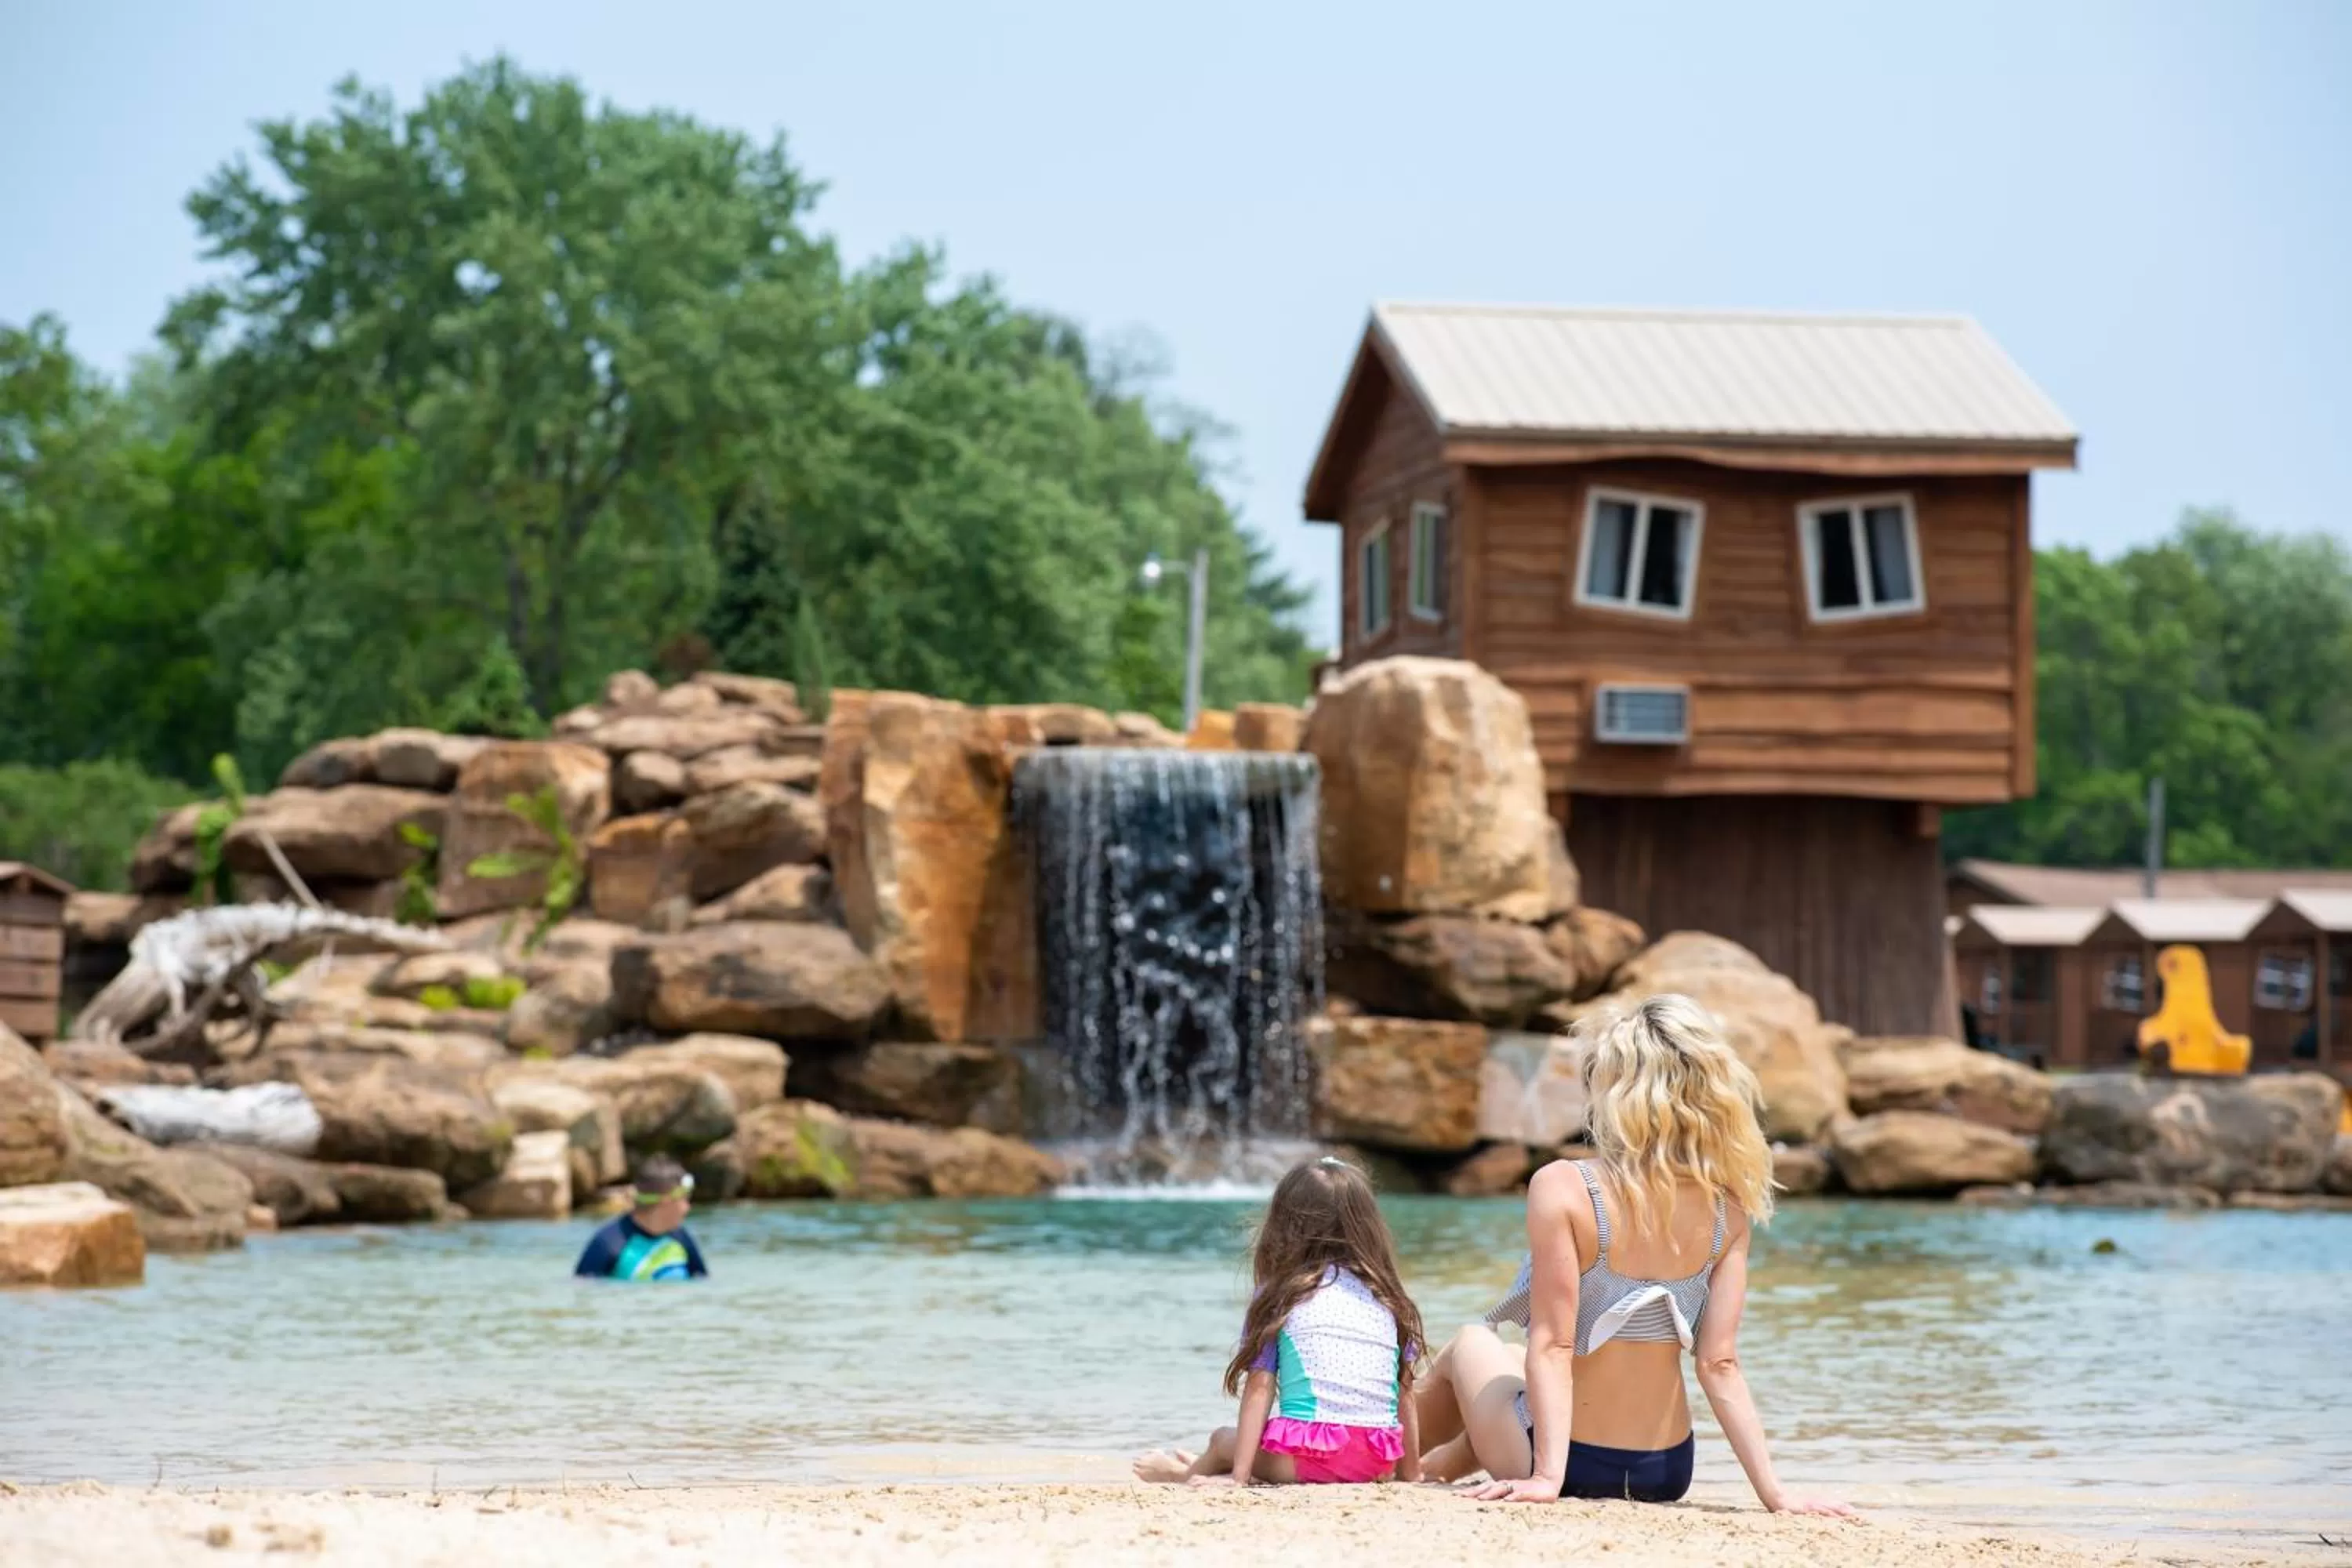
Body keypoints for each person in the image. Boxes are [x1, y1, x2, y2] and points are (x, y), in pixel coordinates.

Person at [1416, 996, 1853, 1515]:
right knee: (1510, 1367)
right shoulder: (1728, 1210)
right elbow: (1719, 1363)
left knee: (1470, 1343)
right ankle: (1430, 1471)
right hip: (1665, 1469)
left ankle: (1379, 1458)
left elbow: (1555, 1343)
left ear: (1617, 1090)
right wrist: (1775, 1495)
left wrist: (1549, 1477)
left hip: (1568, 1462)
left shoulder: (1564, 1187)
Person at [1133, 1156, 1425, 1487]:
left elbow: (1260, 1386)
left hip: (1310, 1463)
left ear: (1285, 1225)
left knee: (1221, 1440)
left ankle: (1182, 1473)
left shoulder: (1280, 1295)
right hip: (1377, 1464)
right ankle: (1209, 1464)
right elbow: (1405, 1394)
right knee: (1242, 1447)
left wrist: (1239, 1478)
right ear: (1368, 1226)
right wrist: (1411, 1474)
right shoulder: (1389, 1297)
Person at [572, 1156, 710, 1283]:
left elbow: (701, 1284)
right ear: (666, 1201)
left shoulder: (681, 1238)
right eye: (685, 1199)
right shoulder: (607, 1243)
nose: (688, 1208)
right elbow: (586, 1295)